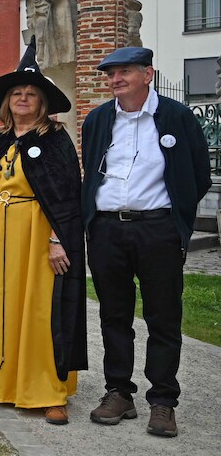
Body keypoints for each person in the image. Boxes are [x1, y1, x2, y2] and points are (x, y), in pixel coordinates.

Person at [81, 47, 210, 438]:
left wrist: (176, 220)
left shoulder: (176, 116)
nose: (115, 79)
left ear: (148, 74)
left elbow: (199, 175)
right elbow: (92, 169)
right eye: (110, 74)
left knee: (163, 317)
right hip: (107, 229)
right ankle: (119, 392)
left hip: (158, 229)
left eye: (124, 71)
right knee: (113, 315)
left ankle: (163, 400)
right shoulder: (99, 119)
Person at [0, 40, 86, 425]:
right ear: (7, 101)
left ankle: (47, 391)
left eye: (31, 93)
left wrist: (57, 240)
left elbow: (66, 196)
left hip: (36, 236)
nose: (23, 98)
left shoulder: (55, 139)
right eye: (17, 93)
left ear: (42, 102)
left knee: (39, 309)